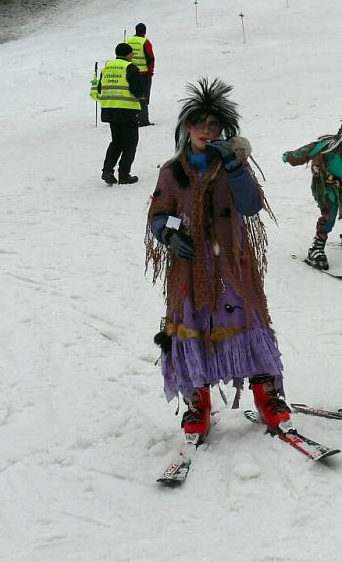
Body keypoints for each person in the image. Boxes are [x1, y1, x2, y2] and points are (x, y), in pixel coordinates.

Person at [145, 78, 290, 442]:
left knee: (248, 319)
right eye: (200, 124)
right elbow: (159, 212)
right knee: (192, 325)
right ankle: (198, 402)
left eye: (214, 126)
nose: (207, 132)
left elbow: (251, 205)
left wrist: (236, 167)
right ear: (187, 127)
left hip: (231, 264)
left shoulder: (232, 166)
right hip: (190, 267)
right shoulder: (172, 170)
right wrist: (169, 234)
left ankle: (266, 394)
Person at [283, 108, 342, 270]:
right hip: (327, 187)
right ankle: (316, 249)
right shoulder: (328, 146)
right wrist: (291, 156)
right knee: (329, 215)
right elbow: (308, 150)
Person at [92, 42, 144, 185]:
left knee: (117, 141)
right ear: (128, 54)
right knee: (131, 142)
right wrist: (141, 96)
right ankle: (124, 174)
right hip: (127, 110)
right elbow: (137, 90)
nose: (133, 56)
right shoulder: (130, 68)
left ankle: (107, 171)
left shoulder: (106, 68)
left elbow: (101, 88)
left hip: (110, 110)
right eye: (132, 53)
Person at [125, 23, 156, 127]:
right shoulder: (145, 42)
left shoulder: (128, 41)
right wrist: (150, 72)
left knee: (132, 95)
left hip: (130, 72)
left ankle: (132, 118)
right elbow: (151, 58)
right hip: (143, 74)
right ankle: (143, 120)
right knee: (143, 97)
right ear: (144, 31)